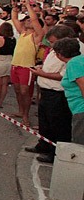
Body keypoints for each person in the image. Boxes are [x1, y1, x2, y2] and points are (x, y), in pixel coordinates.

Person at [28, 25, 77, 161]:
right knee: (45, 122)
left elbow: (63, 75)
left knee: (58, 125)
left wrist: (42, 73)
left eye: (53, 42)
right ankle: (43, 144)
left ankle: (55, 153)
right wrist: (41, 69)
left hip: (58, 93)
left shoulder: (71, 53)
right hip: (46, 90)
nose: (51, 44)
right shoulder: (54, 51)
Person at [10, 1, 44, 125]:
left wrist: (28, 6)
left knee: (25, 92)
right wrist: (15, 8)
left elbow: (35, 20)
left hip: (27, 67)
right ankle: (20, 111)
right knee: (18, 91)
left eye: (30, 20)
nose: (28, 21)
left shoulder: (37, 36)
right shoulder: (22, 34)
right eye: (26, 20)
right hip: (15, 65)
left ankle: (26, 116)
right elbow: (14, 17)